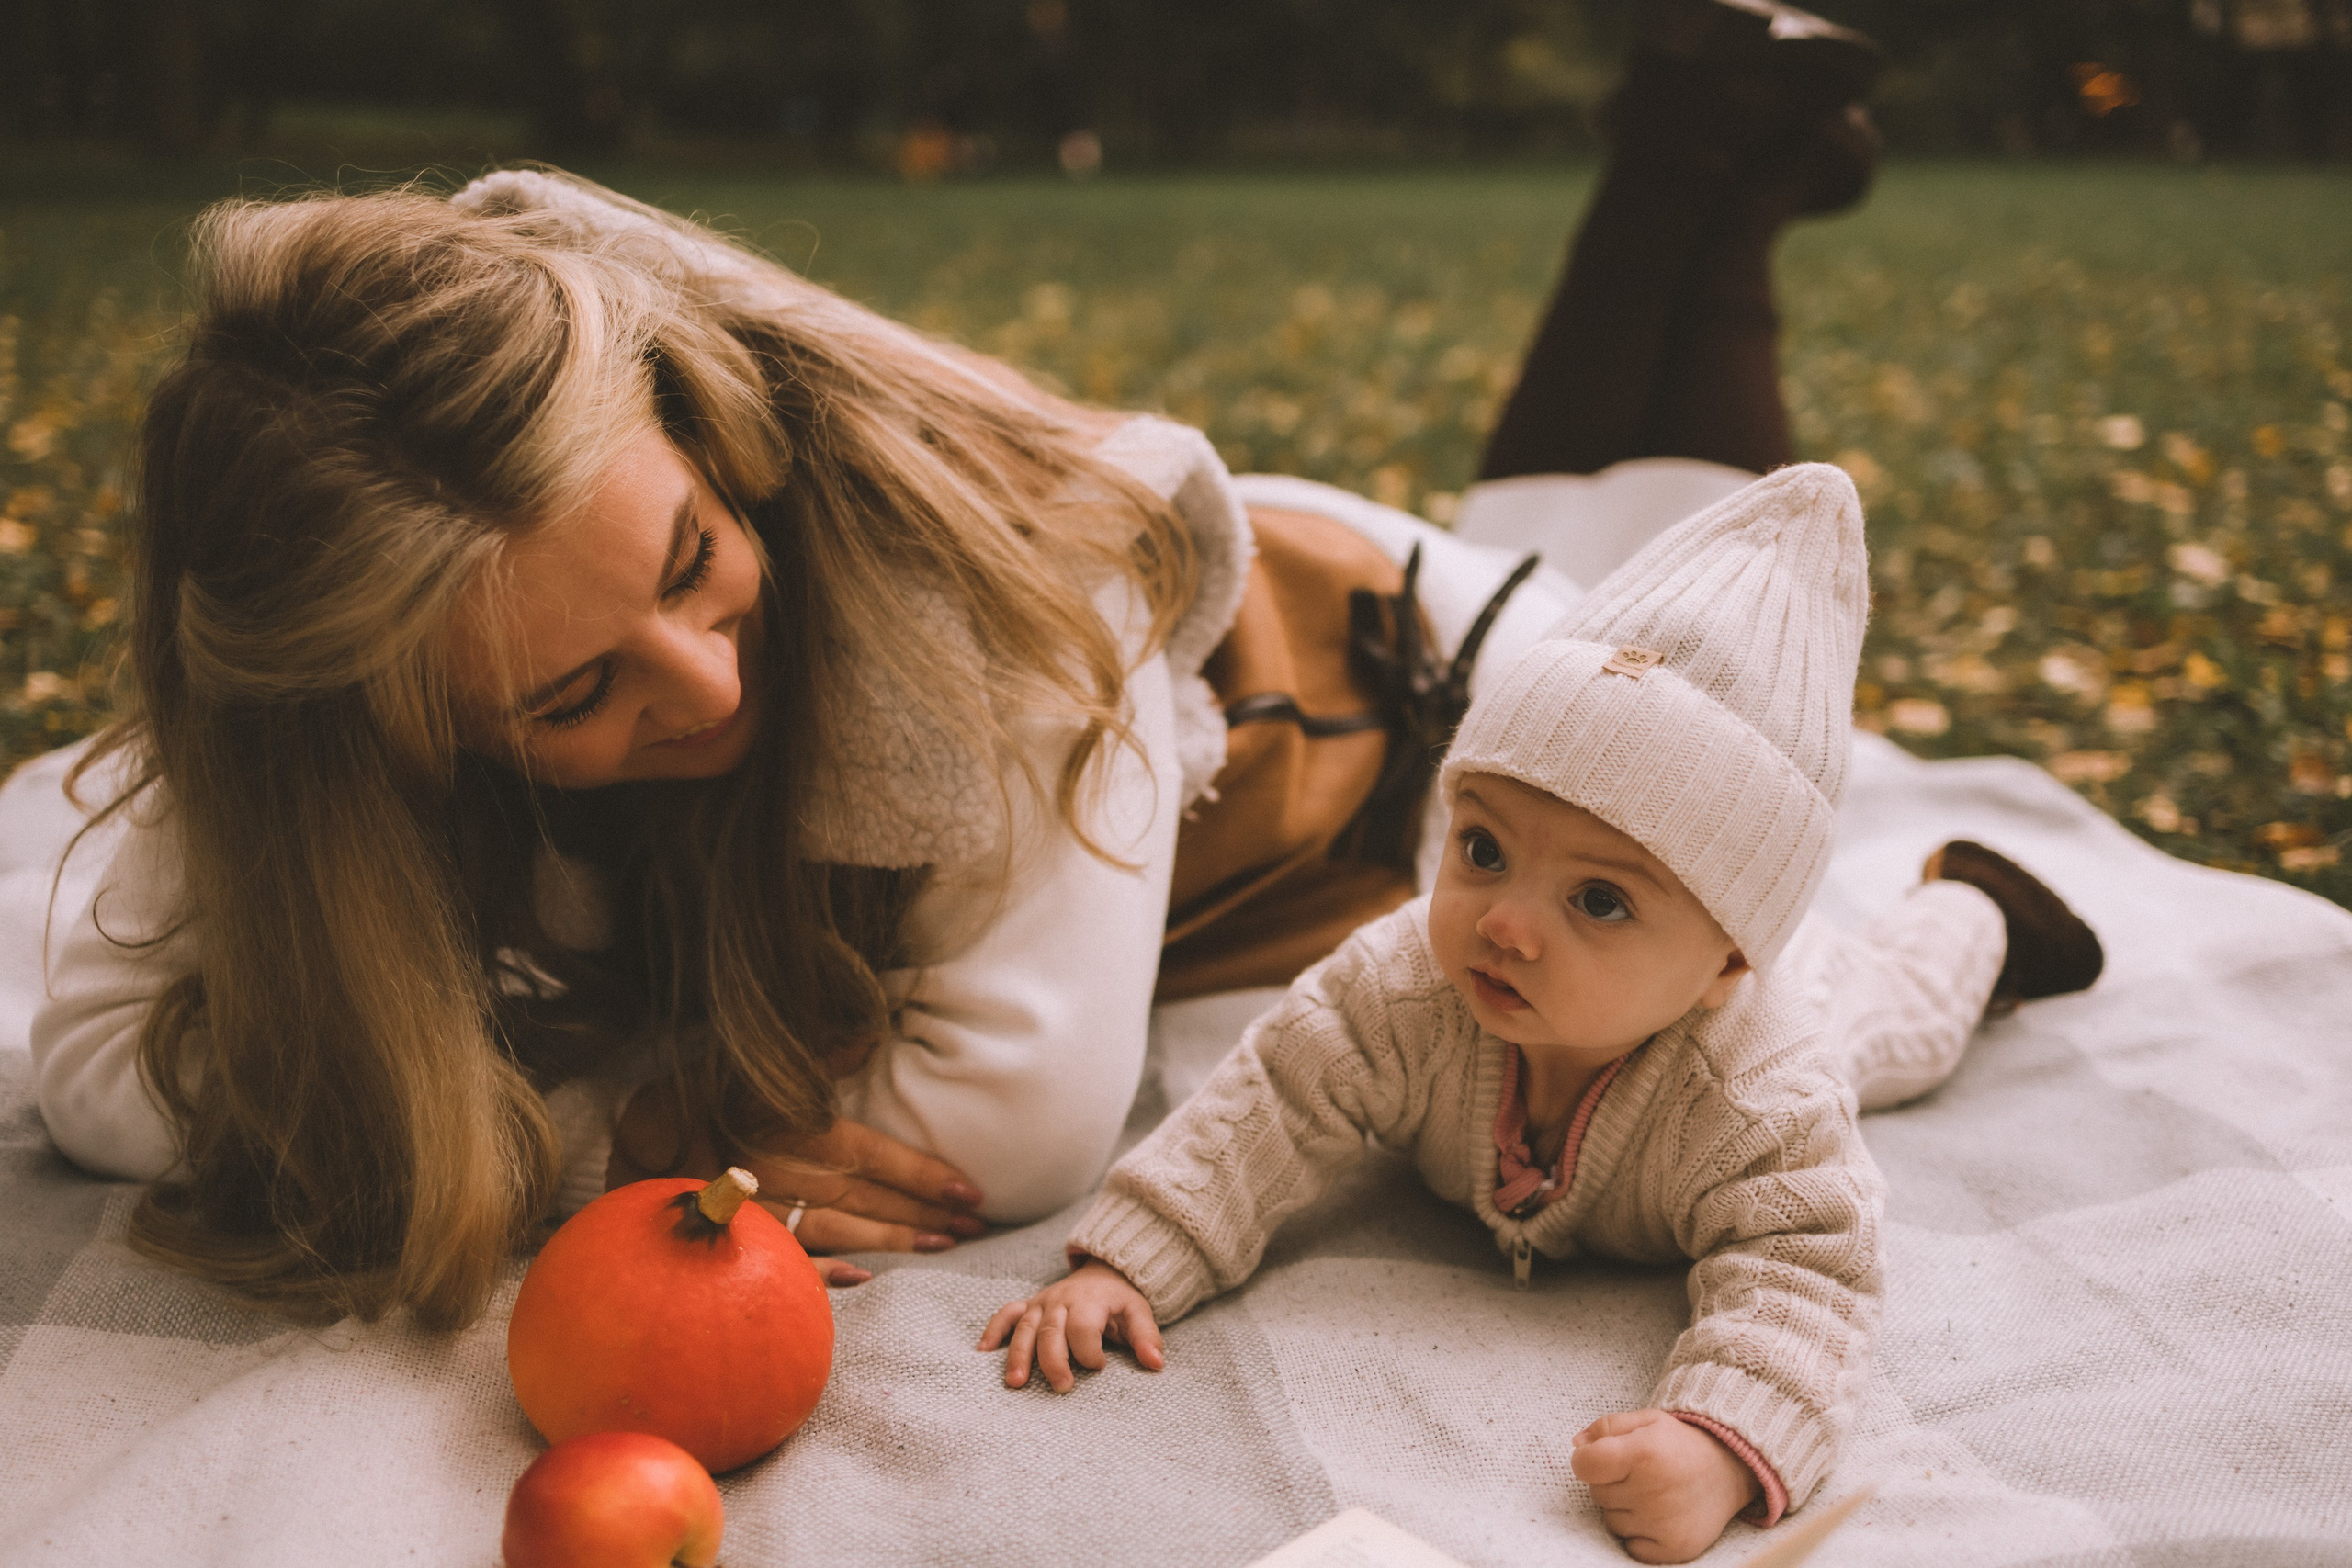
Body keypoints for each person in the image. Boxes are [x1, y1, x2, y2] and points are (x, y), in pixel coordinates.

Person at [22, 0, 2007, 1332]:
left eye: (697, 562)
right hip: (1324, 638)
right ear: (381, 719)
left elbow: (1018, 1119)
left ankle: (1693, 169)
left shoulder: (989, 604)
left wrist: (608, 1119)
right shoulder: (341, 613)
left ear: (702, 428)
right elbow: (104, 1065)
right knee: (1580, 502)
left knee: (1686, 570)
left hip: (1395, 678)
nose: (698, 690)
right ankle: (1707, 155)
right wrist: (591, 1134)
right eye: (569, 701)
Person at [977, 467, 2104, 1564]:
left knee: (1895, 1015)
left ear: (1723, 961)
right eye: (1483, 848)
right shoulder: (1403, 981)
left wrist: (1722, 1437)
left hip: (1790, 1002)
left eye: (1598, 899)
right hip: (1699, 977)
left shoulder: (1763, 1088)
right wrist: (1137, 1259)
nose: (1504, 926)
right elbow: (1271, 1099)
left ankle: (1973, 907)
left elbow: (1809, 1266)